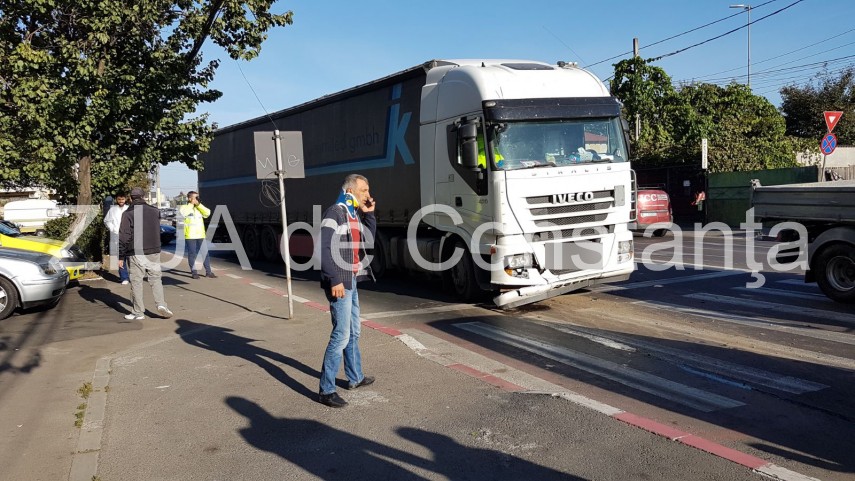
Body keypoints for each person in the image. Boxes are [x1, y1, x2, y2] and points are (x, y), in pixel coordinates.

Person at [318, 174, 376, 408]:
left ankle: (355, 377)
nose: (368, 195)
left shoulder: (353, 214)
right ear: (350, 191)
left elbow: (368, 240)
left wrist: (369, 214)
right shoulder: (335, 212)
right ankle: (326, 390)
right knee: (341, 335)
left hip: (350, 279)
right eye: (364, 190)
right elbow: (324, 247)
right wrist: (334, 279)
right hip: (339, 281)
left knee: (354, 332)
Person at [118, 187, 173, 320]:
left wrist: (121, 255)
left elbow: (124, 236)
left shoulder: (128, 213)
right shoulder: (155, 211)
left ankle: (138, 312)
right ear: (143, 197)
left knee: (136, 282)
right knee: (155, 278)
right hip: (153, 250)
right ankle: (161, 304)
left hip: (136, 251)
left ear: (130, 198)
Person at [179, 191, 216, 279]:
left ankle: (208, 272)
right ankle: (194, 272)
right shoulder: (184, 207)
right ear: (189, 198)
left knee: (205, 253)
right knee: (192, 254)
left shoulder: (199, 208)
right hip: (190, 235)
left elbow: (207, 213)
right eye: (195, 197)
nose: (197, 199)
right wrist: (191, 204)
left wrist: (198, 205)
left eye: (197, 197)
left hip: (200, 234)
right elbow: (183, 213)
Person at [104, 193, 130, 284]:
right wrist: (113, 229)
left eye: (122, 199)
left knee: (130, 257)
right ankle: (124, 277)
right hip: (117, 235)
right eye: (119, 199)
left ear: (125, 199)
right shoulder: (113, 209)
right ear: (116, 200)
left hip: (128, 236)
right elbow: (107, 221)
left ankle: (132, 276)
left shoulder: (129, 209)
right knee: (120, 257)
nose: (121, 201)